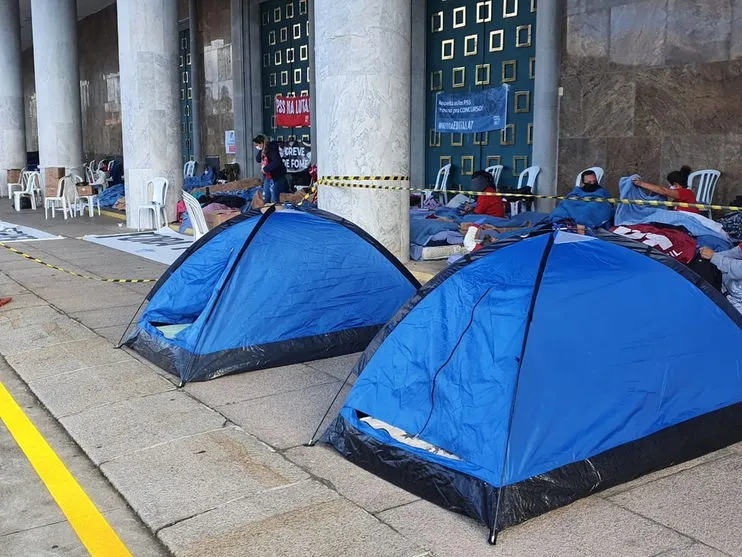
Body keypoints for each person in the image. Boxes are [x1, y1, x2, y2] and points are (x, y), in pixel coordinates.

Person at [631, 165, 700, 214]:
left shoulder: (686, 192)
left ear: (676, 184)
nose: (669, 186)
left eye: (670, 184)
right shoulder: (677, 199)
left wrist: (640, 183)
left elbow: (663, 191)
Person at [700, 243, 742, 313]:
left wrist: (714, 256)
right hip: (726, 285)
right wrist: (712, 255)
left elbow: (738, 270)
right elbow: (736, 252)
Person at [253, 134, 288, 205]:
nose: (256, 147)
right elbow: (258, 159)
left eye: (257, 145)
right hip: (268, 176)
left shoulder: (272, 149)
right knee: (266, 196)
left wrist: (266, 169)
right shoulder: (263, 150)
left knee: (274, 197)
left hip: (276, 176)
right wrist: (260, 151)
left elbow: (276, 162)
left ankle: (276, 210)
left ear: (262, 143)